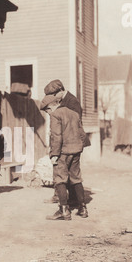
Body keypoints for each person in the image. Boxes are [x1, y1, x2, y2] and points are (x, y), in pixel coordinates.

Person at [40, 79, 89, 207]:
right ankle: (78, 205)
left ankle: (66, 205)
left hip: (68, 144)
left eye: (53, 95)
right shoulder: (61, 102)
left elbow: (74, 126)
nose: (52, 98)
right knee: (73, 175)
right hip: (73, 145)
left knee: (64, 175)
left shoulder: (72, 102)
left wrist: (55, 152)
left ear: (61, 91)